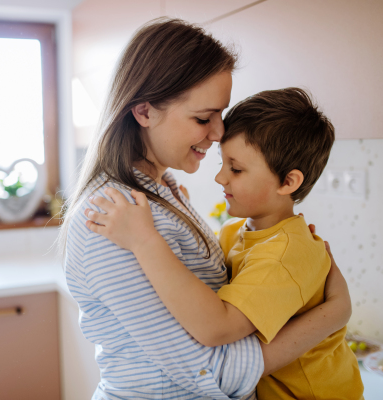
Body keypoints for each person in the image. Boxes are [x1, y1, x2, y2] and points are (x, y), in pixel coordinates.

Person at [61, 18, 352, 400]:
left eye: (220, 114)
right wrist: (333, 315)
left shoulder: (163, 194)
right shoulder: (114, 214)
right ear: (144, 111)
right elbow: (211, 370)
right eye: (203, 118)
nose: (218, 133)